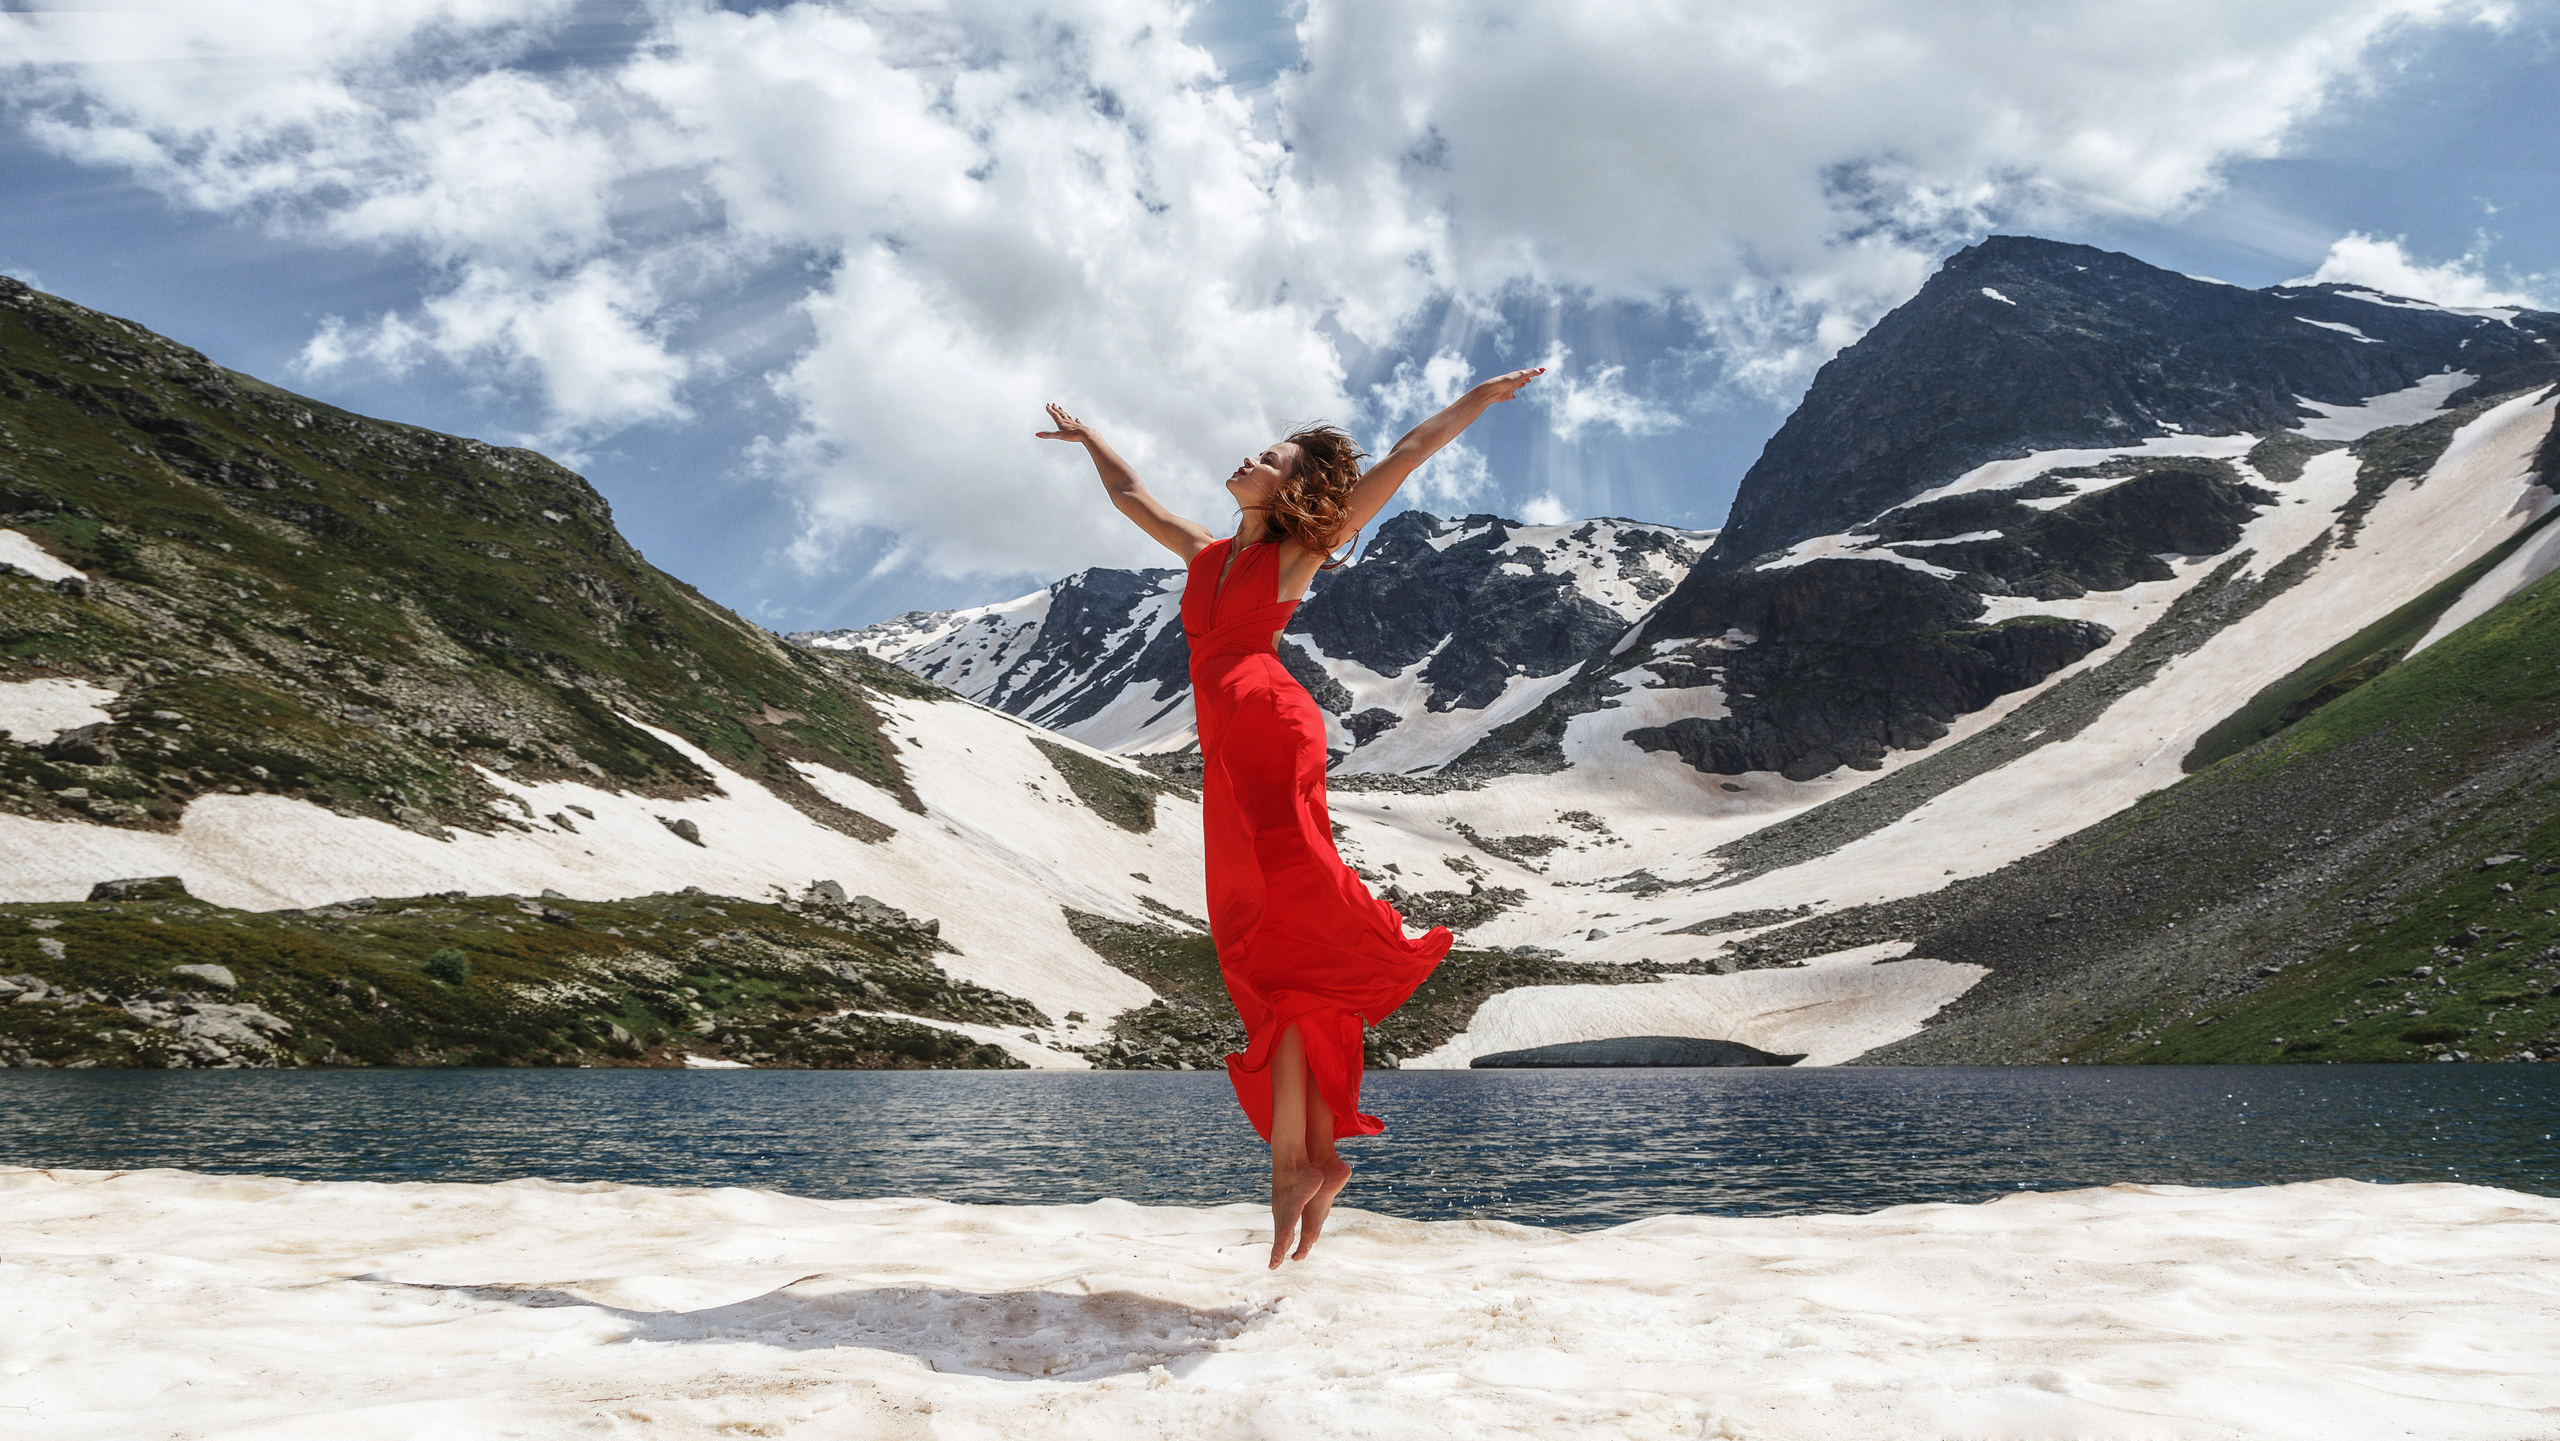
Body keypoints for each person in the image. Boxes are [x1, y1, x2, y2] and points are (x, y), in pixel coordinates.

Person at [1037, 367, 1545, 1268]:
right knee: (1254, 948)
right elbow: (1130, 494)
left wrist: (1476, 401)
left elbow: (1407, 456)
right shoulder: (1202, 550)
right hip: (1228, 746)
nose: (1246, 456)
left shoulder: (1299, 551)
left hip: (1270, 725)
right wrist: (1091, 442)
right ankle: (1314, 1160)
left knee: (1282, 915)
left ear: (1295, 485)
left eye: (1266, 456)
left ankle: (1287, 1175)